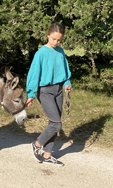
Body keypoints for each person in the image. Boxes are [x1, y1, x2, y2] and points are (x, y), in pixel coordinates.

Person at [26, 23, 72, 166]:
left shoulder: (61, 51)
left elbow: (65, 70)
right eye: (54, 39)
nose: (56, 42)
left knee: (54, 123)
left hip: (58, 90)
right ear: (48, 36)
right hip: (45, 91)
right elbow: (34, 74)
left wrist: (67, 82)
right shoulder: (40, 53)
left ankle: (47, 155)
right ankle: (37, 144)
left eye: (59, 40)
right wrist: (31, 93)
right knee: (56, 125)